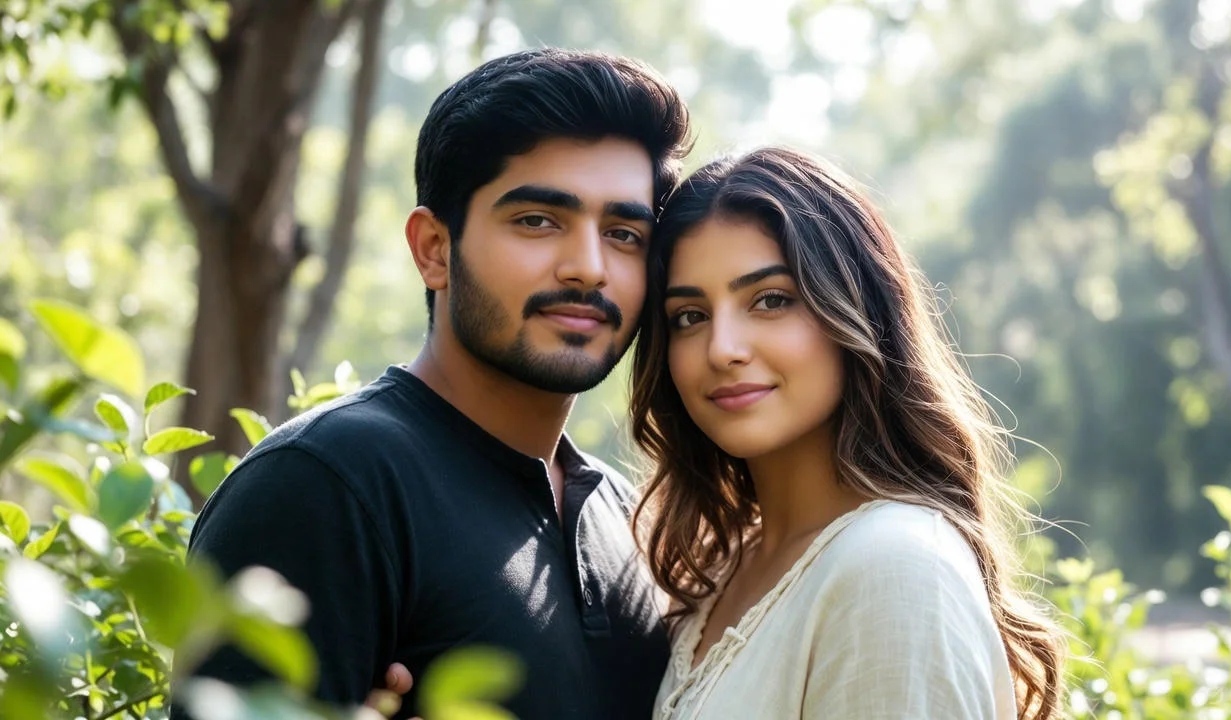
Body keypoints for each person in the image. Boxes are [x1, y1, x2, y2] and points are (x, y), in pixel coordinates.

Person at [172, 48, 691, 720]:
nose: (589, 268)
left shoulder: (624, 519)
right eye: (538, 221)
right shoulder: (324, 486)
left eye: (624, 233)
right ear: (434, 249)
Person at [628, 147, 1066, 719]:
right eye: (690, 315)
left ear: (857, 311)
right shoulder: (724, 567)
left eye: (771, 300)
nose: (722, 349)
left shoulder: (895, 568)